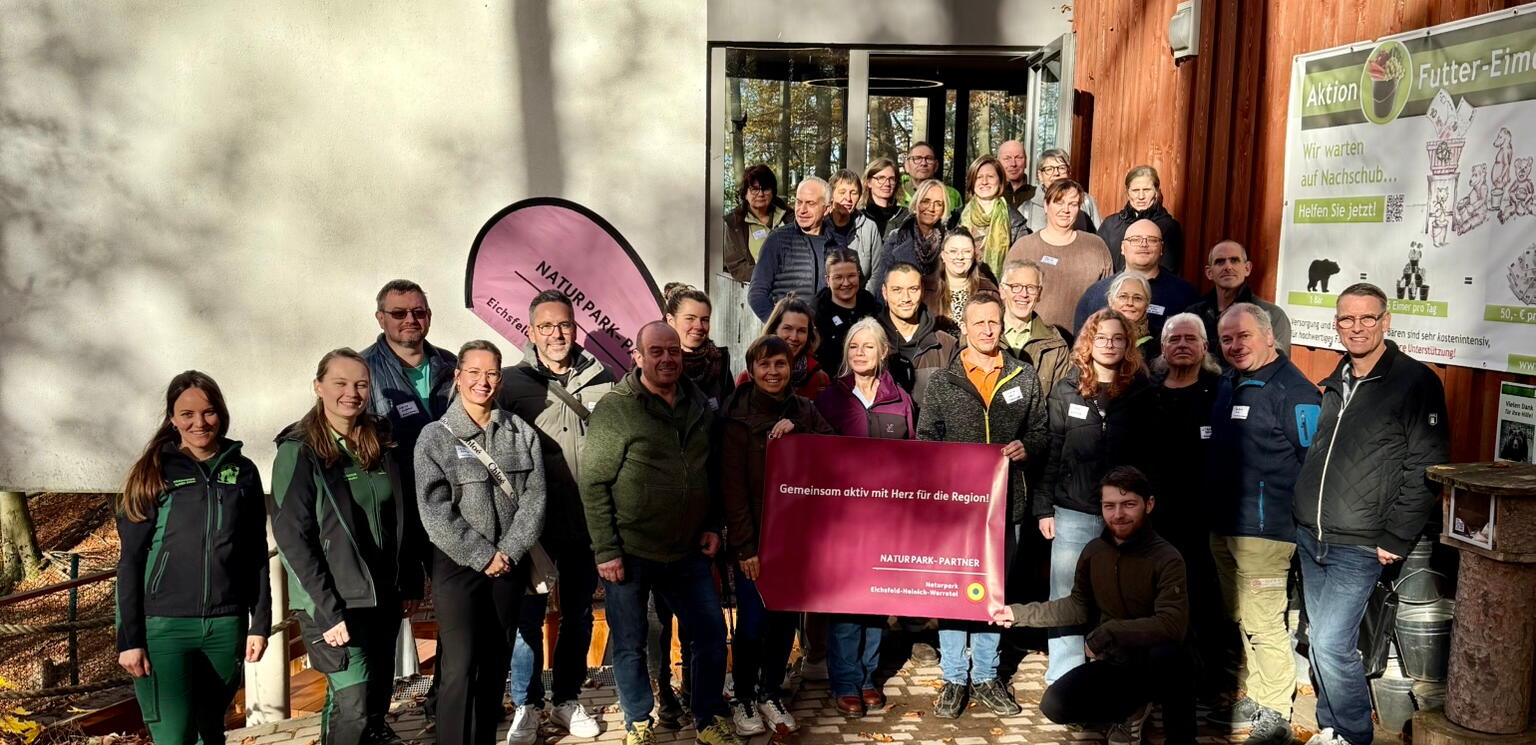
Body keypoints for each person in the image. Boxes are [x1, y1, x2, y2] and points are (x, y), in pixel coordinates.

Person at [1293, 283, 1449, 745]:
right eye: (1346, 319)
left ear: (1386, 322)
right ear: (1336, 324)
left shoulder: (1415, 383)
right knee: (1319, 637)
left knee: (1331, 644)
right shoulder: (1337, 378)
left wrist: (1396, 537)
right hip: (1312, 533)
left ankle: (1353, 734)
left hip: (1360, 542)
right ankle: (1330, 727)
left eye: (1367, 318)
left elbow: (1425, 466)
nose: (1356, 328)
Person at [580, 322, 738, 745]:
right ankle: (638, 720)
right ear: (638, 356)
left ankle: (706, 718)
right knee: (630, 642)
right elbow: (594, 482)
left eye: (673, 351)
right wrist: (606, 549)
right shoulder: (618, 408)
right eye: (657, 351)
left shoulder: (696, 403)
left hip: (687, 550)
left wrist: (711, 525)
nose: (667, 358)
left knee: (708, 634)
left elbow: (710, 470)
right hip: (630, 552)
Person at [270, 349, 423, 745]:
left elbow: (400, 516)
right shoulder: (299, 450)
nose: (351, 393)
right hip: (335, 602)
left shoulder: (379, 438)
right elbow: (292, 537)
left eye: (361, 384)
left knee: (374, 704)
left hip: (382, 596)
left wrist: (408, 581)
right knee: (352, 706)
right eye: (340, 383)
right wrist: (327, 606)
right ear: (318, 387)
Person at [116, 372, 270, 745]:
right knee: (174, 737)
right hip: (164, 629)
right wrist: (129, 639)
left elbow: (255, 552)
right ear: (172, 418)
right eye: (187, 414)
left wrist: (259, 623)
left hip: (225, 626)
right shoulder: (152, 473)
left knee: (210, 733)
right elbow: (131, 561)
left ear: (222, 414)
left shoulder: (243, 471)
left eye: (209, 412)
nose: (199, 423)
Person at [994, 467, 1196, 745]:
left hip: (1156, 661)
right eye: (1109, 506)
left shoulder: (1167, 557)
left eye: (1128, 504)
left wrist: (1108, 633)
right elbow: (1077, 606)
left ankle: (1180, 737)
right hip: (1116, 662)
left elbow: (1171, 625)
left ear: (1148, 505)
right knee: (1054, 705)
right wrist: (1017, 613)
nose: (1118, 514)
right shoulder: (1094, 552)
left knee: (1171, 657)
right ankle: (1130, 711)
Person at [917, 293, 1048, 719]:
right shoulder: (942, 382)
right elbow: (926, 440)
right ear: (964, 329)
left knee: (996, 591)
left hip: (1006, 507)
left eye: (994, 323)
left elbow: (1043, 433)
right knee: (955, 592)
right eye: (979, 324)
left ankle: (988, 674)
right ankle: (955, 677)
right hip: (956, 509)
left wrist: (1026, 447)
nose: (988, 330)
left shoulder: (1024, 378)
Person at [415, 341, 546, 745]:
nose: (482, 382)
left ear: (500, 378)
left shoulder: (521, 432)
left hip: (509, 562)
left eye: (491, 373)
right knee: (460, 665)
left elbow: (535, 498)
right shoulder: (434, 438)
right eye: (473, 372)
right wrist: (481, 554)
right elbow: (434, 510)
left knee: (494, 663)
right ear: (458, 376)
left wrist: (509, 551)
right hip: (458, 567)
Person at [496, 291, 612, 743]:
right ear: (530, 332)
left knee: (580, 613)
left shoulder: (603, 378)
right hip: (534, 527)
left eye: (563, 325)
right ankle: (526, 704)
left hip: (586, 520)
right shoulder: (511, 383)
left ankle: (566, 698)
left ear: (575, 326)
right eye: (545, 326)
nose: (556, 334)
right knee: (528, 618)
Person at [1203, 303, 1321, 745]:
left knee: (1265, 621)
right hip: (1224, 526)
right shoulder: (1228, 383)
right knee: (1241, 618)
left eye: (1244, 336)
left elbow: (1312, 464)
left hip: (1266, 532)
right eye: (1227, 338)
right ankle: (1256, 693)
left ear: (1270, 337)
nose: (1235, 346)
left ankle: (1275, 710)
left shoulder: (1296, 391)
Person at [721, 335, 834, 736]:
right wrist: (745, 547)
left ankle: (771, 691)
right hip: (755, 541)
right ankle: (744, 696)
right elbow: (732, 489)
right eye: (765, 365)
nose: (773, 372)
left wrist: (800, 427)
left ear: (791, 369)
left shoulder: (804, 409)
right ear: (752, 370)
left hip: (795, 540)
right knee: (753, 623)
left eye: (780, 365)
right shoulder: (735, 416)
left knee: (785, 621)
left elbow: (834, 453)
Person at [1037, 309, 1153, 685]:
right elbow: (1052, 450)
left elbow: (1152, 457)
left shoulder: (1141, 393)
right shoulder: (1066, 389)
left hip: (1122, 515)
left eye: (1118, 338)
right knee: (1067, 596)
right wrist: (1043, 506)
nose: (1109, 344)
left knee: (1121, 597)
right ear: (1088, 342)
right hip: (1071, 510)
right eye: (1101, 337)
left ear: (1128, 345)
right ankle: (1065, 678)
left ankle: (1112, 678)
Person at [815, 318, 916, 715]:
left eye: (868, 346)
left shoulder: (900, 400)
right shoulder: (830, 398)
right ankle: (844, 682)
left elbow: (915, 459)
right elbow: (813, 456)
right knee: (846, 605)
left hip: (887, 522)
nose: (860, 353)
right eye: (853, 347)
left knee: (877, 603)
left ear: (882, 352)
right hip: (843, 522)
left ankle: (868, 677)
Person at [362, 280, 457, 460]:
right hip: (397, 483)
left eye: (418, 312)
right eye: (399, 313)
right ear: (380, 318)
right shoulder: (362, 370)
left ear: (429, 315)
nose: (410, 320)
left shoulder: (451, 364)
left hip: (451, 481)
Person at [1004, 179, 1114, 331]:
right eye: (1059, 202)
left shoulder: (1096, 246)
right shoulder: (1024, 247)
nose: (1066, 210)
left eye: (1073, 204)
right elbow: (1005, 295)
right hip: (1034, 344)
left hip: (1083, 342)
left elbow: (1109, 299)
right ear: (1046, 205)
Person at [1073, 219, 1199, 342]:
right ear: (1122, 248)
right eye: (1135, 240)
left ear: (1161, 248)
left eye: (1152, 240)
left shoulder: (1186, 295)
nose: (1143, 244)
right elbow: (1081, 347)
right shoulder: (1096, 294)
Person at [1185, 240, 1293, 365]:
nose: (1228, 267)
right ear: (1209, 273)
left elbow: (1277, 368)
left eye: (1234, 260)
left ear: (1247, 268)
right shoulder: (1193, 315)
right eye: (1220, 262)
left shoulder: (1272, 315)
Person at [749, 177, 841, 321]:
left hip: (827, 337)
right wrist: (778, 326)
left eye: (810, 203)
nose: (802, 210)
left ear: (827, 209)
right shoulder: (778, 240)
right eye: (799, 202)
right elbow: (756, 293)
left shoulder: (838, 244)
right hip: (787, 338)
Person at [877, 262, 959, 407]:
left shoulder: (946, 345)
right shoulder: (870, 342)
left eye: (913, 289)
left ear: (922, 291)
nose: (906, 298)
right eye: (897, 290)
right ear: (885, 293)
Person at [998, 259, 1073, 397]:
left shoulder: (1056, 345)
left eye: (1031, 287)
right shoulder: (984, 335)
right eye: (1016, 286)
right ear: (1002, 291)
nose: (1024, 294)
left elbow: (1059, 402)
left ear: (1039, 294)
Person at [739, 295, 831, 400]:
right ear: (774, 329)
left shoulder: (819, 379)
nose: (794, 337)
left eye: (801, 331)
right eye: (787, 328)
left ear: (809, 335)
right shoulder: (749, 378)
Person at [1099, 165, 1185, 275]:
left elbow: (1169, 272)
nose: (1141, 196)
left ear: (1156, 192)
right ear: (1128, 193)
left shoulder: (1169, 227)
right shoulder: (1110, 225)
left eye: (1146, 190)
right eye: (1135, 190)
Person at [868, 178, 950, 293]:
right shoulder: (896, 238)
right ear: (916, 203)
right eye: (925, 201)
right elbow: (881, 282)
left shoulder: (950, 241)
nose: (931, 208)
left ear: (943, 209)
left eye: (938, 204)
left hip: (937, 306)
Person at [952, 155, 1029, 273]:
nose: (984, 182)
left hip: (998, 288)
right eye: (979, 177)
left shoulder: (1015, 221)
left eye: (990, 177)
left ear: (1000, 181)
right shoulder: (956, 218)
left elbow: (1020, 265)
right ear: (972, 182)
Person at [665, 283, 735, 411]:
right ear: (671, 321)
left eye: (705, 320)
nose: (699, 326)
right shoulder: (656, 364)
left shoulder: (720, 362)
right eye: (690, 318)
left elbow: (731, 413)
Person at [814, 248, 881, 377]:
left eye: (851, 276)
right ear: (828, 280)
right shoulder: (817, 313)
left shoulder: (870, 304)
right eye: (838, 277)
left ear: (859, 275)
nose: (846, 283)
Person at [723, 165, 791, 283]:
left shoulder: (790, 218)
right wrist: (770, 274)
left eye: (765, 188)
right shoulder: (734, 224)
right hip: (757, 289)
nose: (760, 194)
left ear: (773, 192)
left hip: (792, 286)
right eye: (754, 189)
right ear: (745, 193)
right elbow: (737, 267)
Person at [928, 232, 999, 327]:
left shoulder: (988, 292)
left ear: (974, 255)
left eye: (966, 251)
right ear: (943, 255)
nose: (960, 257)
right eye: (953, 251)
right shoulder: (925, 290)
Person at [1022, 149, 1099, 232]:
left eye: (1062, 168)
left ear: (1069, 172)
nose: (1056, 173)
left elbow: (1098, 237)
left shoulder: (1086, 202)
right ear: (1040, 175)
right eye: (1049, 169)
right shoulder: (1026, 209)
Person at [827, 169, 883, 277]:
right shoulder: (820, 226)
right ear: (831, 195)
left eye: (854, 193)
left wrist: (864, 294)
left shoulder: (869, 228)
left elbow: (877, 273)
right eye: (842, 192)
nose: (848, 198)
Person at [1098, 272, 1160, 360]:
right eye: (1123, 296)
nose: (1130, 303)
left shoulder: (1158, 342)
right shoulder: (1094, 335)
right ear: (1110, 301)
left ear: (1147, 304)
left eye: (1137, 298)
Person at [897, 141, 962, 211]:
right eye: (917, 158)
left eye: (929, 158)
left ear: (936, 166)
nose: (923, 163)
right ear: (906, 165)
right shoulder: (894, 194)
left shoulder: (952, 195)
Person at [858, 157, 910, 238]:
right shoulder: (859, 217)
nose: (887, 184)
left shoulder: (905, 216)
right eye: (881, 178)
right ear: (868, 182)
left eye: (891, 179)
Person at [996, 139, 1034, 211]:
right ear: (998, 163)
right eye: (1007, 158)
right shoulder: (991, 196)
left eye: (1018, 158)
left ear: (1026, 162)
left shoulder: (1037, 196)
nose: (1013, 164)